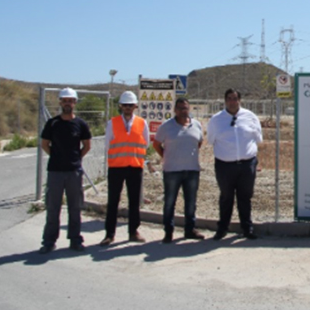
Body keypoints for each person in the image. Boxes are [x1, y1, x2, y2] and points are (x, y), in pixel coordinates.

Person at [39, 88, 92, 254]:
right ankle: (49, 241)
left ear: (75, 103)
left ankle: (75, 239)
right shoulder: (53, 123)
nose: (67, 103)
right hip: (55, 171)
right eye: (64, 100)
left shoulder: (81, 124)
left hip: (74, 172)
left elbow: (87, 145)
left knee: (75, 207)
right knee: (53, 207)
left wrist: (76, 159)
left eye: (70, 100)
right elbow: (45, 144)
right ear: (60, 102)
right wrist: (56, 157)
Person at [207, 88, 263, 241]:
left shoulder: (250, 117)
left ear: (240, 100)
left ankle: (247, 228)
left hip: (247, 165)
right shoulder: (216, 120)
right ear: (225, 101)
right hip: (225, 166)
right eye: (229, 98)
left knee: (245, 197)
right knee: (226, 197)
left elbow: (258, 138)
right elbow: (211, 140)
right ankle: (222, 228)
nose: (232, 101)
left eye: (235, 98)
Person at [100, 91, 149, 246]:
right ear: (121, 106)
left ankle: (133, 232)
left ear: (135, 106)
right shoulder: (112, 123)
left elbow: (145, 143)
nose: (128, 108)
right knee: (113, 201)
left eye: (131, 105)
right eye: (125, 105)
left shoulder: (142, 123)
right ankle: (109, 234)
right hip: (116, 168)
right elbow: (108, 144)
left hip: (135, 167)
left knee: (134, 202)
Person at [153, 98, 205, 243]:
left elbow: (199, 143)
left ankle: (190, 230)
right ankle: (168, 232)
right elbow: (156, 144)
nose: (183, 111)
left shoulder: (197, 125)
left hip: (192, 170)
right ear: (175, 110)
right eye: (180, 108)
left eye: (186, 108)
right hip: (172, 171)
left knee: (190, 202)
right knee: (170, 202)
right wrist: (166, 156)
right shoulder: (166, 126)